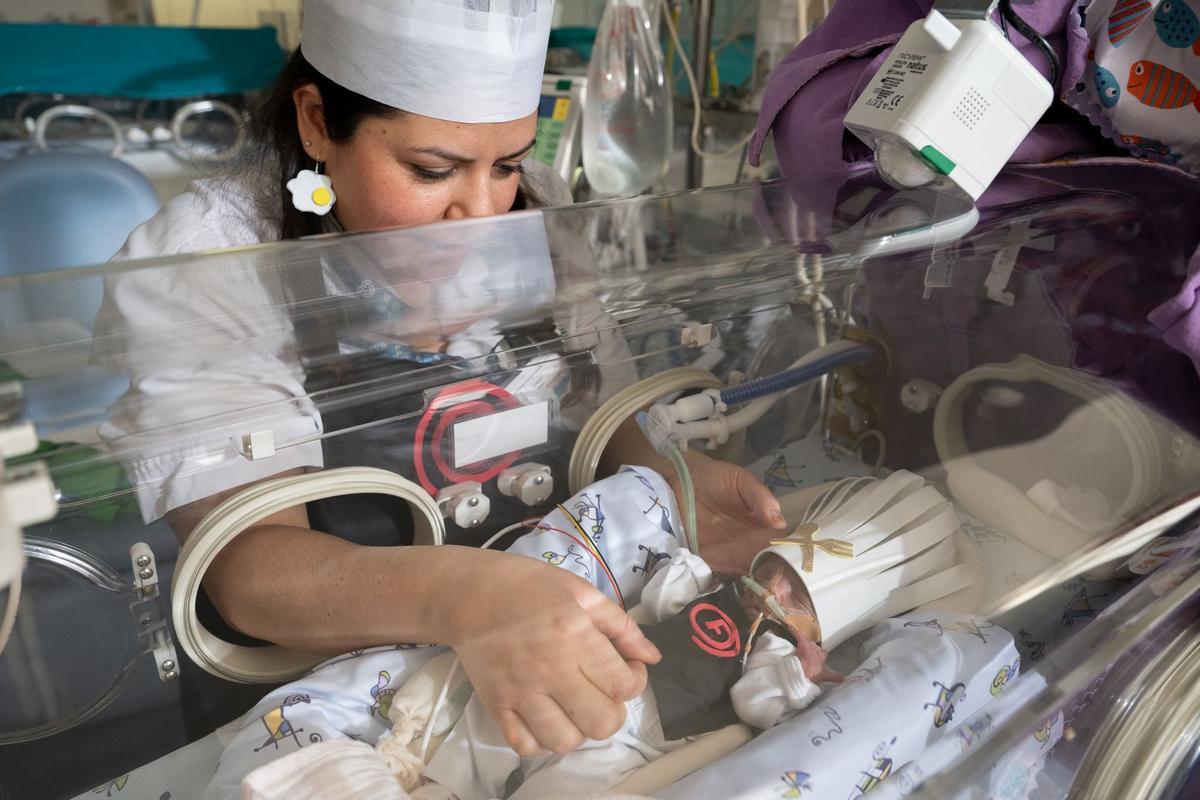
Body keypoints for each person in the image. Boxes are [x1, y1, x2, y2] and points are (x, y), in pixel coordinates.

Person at [92, 0, 790, 760]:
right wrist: (470, 598)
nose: (480, 214)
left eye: (508, 164)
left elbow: (596, 409)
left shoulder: (537, 214)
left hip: (540, 642)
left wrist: (671, 481)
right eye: (432, 170)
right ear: (318, 122)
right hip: (321, 699)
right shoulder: (210, 258)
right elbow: (249, 566)